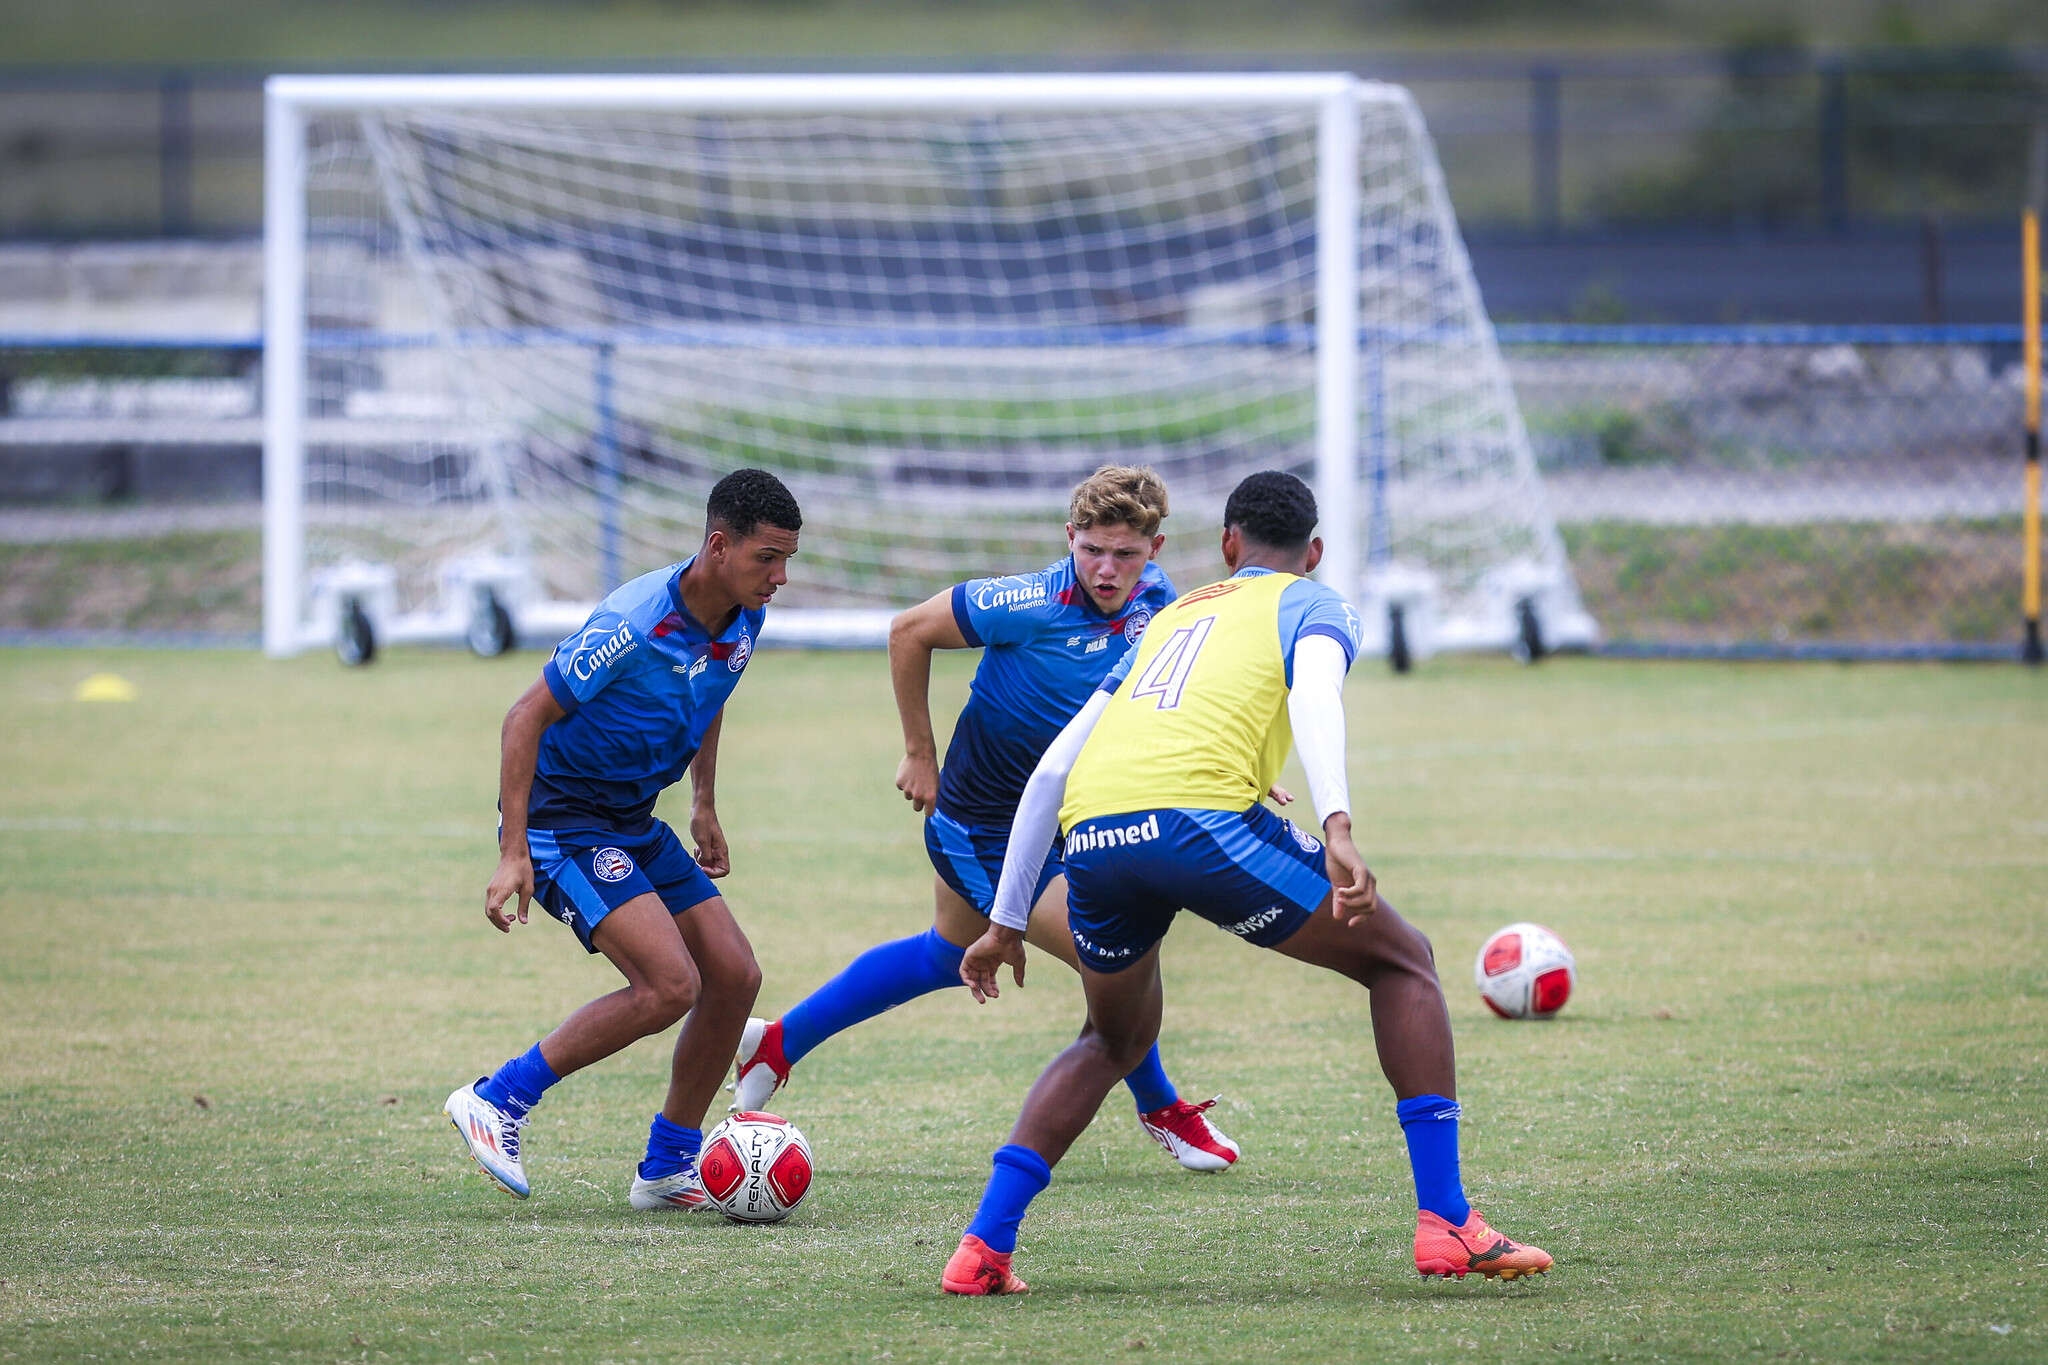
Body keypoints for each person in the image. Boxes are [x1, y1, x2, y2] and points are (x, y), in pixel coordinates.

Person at [940, 470, 1554, 1294]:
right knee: (1402, 959)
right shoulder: (1316, 603)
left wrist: (1007, 919)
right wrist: (1335, 822)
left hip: (1091, 837)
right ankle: (1447, 1221)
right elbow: (1316, 698)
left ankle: (983, 1248)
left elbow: (1055, 768)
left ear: (1227, 545)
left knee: (1111, 1039)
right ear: (1315, 552)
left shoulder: (1169, 617)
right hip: (1199, 823)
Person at [732, 466, 1240, 1171]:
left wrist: (1238, 765)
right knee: (1114, 951)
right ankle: (1161, 1107)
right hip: (980, 829)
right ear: (1070, 538)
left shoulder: (1161, 603)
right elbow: (908, 630)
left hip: (1066, 822)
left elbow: (1175, 696)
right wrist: (919, 752)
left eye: (1125, 553)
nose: (1106, 568)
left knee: (945, 952)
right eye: (1092, 548)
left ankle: (778, 1042)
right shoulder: (1027, 600)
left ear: (1154, 549)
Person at [445, 468, 801, 1211]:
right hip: (560, 819)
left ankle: (667, 1165)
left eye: (787, 558)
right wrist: (513, 851)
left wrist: (703, 802)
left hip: (633, 819)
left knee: (734, 976)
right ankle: (497, 1099)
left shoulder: (743, 615)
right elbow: (524, 716)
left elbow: (712, 695)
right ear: (718, 544)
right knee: (670, 985)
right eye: (768, 557)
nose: (781, 576)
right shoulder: (633, 622)